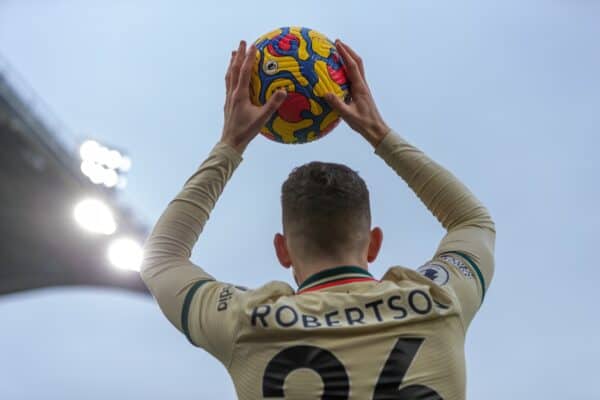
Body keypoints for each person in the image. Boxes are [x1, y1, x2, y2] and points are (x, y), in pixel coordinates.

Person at [141, 39, 495, 399]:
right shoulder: (439, 299)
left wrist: (230, 144)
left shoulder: (244, 321)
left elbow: (161, 258)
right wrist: (379, 132)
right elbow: (472, 222)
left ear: (282, 250)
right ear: (374, 243)